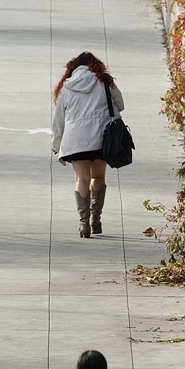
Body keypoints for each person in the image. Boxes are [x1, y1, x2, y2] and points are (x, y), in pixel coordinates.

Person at [52, 51, 124, 237]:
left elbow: (58, 119)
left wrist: (56, 144)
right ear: (96, 65)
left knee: (81, 179)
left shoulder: (67, 87)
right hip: (101, 138)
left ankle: (84, 225)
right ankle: (96, 220)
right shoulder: (105, 81)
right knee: (98, 177)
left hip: (76, 140)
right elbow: (120, 104)